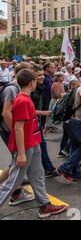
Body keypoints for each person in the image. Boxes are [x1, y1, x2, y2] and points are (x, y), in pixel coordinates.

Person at [0, 69, 68, 218]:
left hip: (33, 142)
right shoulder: (23, 100)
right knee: (13, 181)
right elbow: (18, 128)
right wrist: (22, 153)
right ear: (32, 83)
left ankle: (44, 205)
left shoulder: (24, 98)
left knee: (37, 175)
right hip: (26, 146)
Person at [0, 62, 34, 205]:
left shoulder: (19, 92)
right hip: (10, 130)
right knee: (17, 163)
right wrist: (14, 131)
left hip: (14, 131)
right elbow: (6, 112)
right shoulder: (14, 91)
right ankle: (15, 193)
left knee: (17, 164)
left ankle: (17, 191)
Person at [30, 65, 58, 178]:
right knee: (37, 147)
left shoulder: (39, 88)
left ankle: (47, 169)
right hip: (30, 123)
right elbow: (27, 110)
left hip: (37, 122)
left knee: (40, 146)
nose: (42, 77)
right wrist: (44, 113)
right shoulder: (30, 91)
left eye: (42, 74)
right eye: (39, 75)